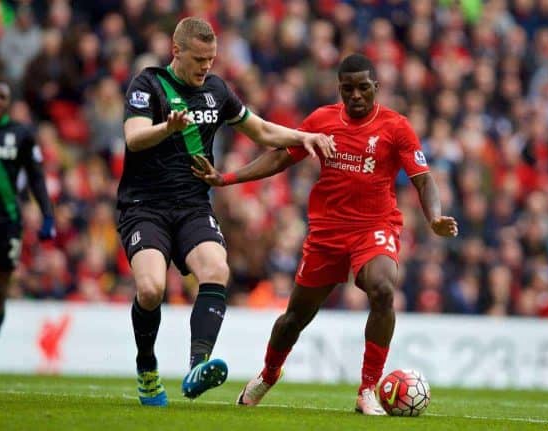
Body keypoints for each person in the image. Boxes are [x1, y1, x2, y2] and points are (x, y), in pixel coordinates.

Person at [192, 54, 458, 415]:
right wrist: (227, 178)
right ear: (340, 89)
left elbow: (423, 179)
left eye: (364, 88)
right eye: (348, 89)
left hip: (374, 228)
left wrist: (435, 217)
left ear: (375, 88)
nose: (357, 96)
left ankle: (368, 389)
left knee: (382, 288)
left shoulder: (396, 127)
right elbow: (279, 157)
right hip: (327, 233)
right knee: (294, 319)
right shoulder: (322, 121)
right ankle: (269, 374)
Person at [117, 17, 334, 407]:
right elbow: (133, 139)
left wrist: (306, 136)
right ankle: (147, 370)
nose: (206, 67)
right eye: (199, 59)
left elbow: (262, 131)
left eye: (212, 59)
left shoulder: (216, 90)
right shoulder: (147, 85)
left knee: (217, 269)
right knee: (151, 290)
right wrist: (167, 127)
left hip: (193, 206)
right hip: (144, 206)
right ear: (176, 50)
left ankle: (197, 367)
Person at [0, 79, 55, 335]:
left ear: (9, 102)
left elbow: (36, 177)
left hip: (7, 220)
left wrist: (47, 216)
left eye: (2, 96)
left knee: (1, 288)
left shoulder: (20, 134)